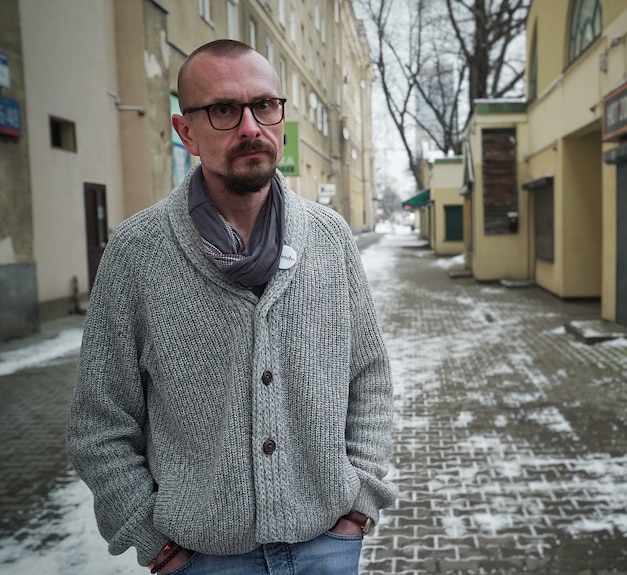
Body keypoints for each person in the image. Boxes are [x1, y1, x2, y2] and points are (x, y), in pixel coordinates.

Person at [67, 39, 396, 574]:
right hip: (203, 560)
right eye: (224, 109)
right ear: (186, 132)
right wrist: (150, 538)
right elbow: (100, 422)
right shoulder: (137, 253)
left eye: (264, 105)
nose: (250, 127)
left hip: (326, 546)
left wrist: (359, 504)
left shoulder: (330, 238)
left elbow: (370, 377)